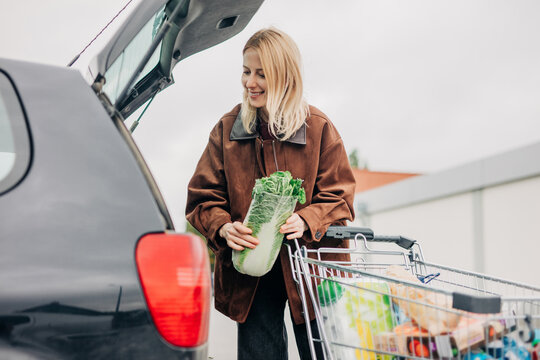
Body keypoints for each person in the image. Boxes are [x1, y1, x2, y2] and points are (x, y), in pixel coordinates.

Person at [186, 27, 356, 360]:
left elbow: (340, 198)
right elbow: (202, 198)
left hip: (311, 272)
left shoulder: (319, 127)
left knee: (324, 353)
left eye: (261, 74)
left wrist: (307, 219)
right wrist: (222, 226)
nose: (250, 82)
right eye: (246, 71)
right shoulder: (227, 130)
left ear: (284, 76)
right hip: (250, 275)